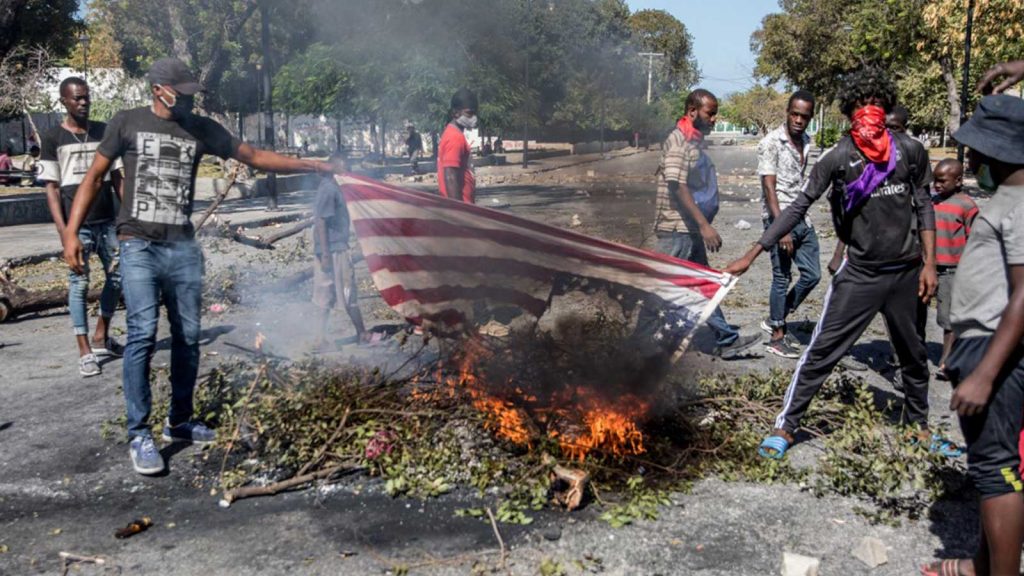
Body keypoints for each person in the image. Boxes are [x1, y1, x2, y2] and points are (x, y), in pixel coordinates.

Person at [62, 58, 346, 476]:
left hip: (182, 247)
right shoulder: (127, 122)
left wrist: (317, 165)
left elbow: (253, 155)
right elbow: (94, 178)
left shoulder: (200, 127)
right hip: (138, 243)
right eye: (181, 89)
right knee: (142, 332)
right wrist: (71, 233)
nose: (189, 97)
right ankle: (139, 433)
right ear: (159, 89)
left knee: (188, 336)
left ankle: (179, 420)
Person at [724, 67, 948, 459]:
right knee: (822, 350)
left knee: (913, 357)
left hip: (907, 272)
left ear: (885, 107)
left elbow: (925, 204)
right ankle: (786, 426)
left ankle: (919, 428)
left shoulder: (909, 150)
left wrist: (930, 264)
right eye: (861, 106)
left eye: (876, 105)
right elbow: (798, 206)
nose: (869, 113)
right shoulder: (839, 157)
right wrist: (752, 252)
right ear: (849, 113)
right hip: (860, 275)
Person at [921, 94, 1024, 576]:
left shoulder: (1020, 205)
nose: (973, 161)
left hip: (994, 349)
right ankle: (978, 566)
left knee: (996, 472)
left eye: (977, 152)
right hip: (979, 341)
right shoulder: (1006, 198)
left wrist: (983, 373)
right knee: (989, 471)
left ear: (999, 151)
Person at [652, 88, 760, 359]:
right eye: (710, 113)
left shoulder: (692, 141)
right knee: (659, 289)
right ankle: (637, 345)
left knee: (702, 284)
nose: (714, 119)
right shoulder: (678, 142)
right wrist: (704, 226)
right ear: (692, 112)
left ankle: (725, 338)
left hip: (686, 229)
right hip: (677, 229)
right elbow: (678, 187)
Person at [40, 76, 124, 377]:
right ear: (64, 101)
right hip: (78, 228)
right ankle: (85, 350)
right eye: (77, 98)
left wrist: (126, 216)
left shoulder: (104, 131)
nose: (83, 102)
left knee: (119, 275)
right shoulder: (52, 138)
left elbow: (116, 177)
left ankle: (101, 334)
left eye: (86, 97)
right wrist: (65, 232)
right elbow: (51, 188)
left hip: (107, 222)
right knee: (79, 284)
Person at [756, 90, 820, 359]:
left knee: (813, 275)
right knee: (781, 277)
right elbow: (769, 187)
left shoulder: (806, 141)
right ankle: (777, 336)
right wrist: (780, 228)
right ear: (787, 112)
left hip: (802, 216)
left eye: (804, 116)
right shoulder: (772, 142)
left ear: (810, 118)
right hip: (780, 217)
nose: (798, 120)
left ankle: (777, 316)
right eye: (794, 114)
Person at [313, 152, 366, 349]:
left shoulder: (332, 188)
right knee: (347, 290)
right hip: (334, 250)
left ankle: (321, 338)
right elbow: (321, 221)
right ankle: (362, 334)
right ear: (333, 169)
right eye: (345, 168)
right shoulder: (330, 190)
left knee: (325, 293)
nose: (348, 172)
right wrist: (326, 254)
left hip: (330, 248)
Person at [930, 159, 977, 380]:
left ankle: (947, 360)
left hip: (952, 269)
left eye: (942, 181)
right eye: (934, 180)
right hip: (928, 266)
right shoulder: (931, 202)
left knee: (948, 317)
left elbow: (975, 240)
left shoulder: (966, 205)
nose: (937, 185)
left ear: (958, 181)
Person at [438, 88, 478, 203]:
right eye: (469, 113)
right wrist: (459, 211)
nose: (473, 117)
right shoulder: (455, 138)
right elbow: (450, 175)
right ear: (455, 113)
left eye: (474, 113)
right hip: (461, 207)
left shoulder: (452, 133)